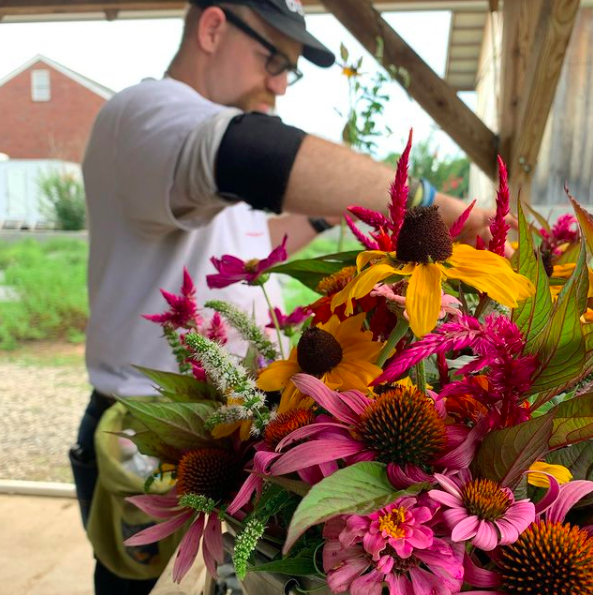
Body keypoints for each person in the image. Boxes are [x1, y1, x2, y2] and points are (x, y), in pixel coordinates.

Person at [70, 1, 507, 593]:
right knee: (129, 581)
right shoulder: (145, 114)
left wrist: (343, 228)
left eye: (289, 69)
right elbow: (256, 154)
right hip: (149, 429)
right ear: (213, 26)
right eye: (273, 58)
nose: (279, 83)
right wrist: (435, 208)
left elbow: (259, 249)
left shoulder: (197, 179)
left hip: (238, 420)